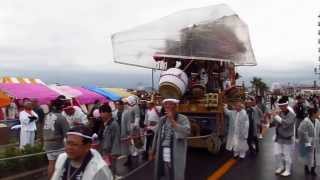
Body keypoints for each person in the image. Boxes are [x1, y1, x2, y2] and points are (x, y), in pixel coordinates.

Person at [149, 98, 190, 180]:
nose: (167, 106)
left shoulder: (183, 118)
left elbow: (186, 132)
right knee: (164, 171)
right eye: (165, 104)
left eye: (170, 104)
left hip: (176, 151)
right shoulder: (162, 119)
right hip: (162, 149)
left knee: (175, 172)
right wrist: (152, 151)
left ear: (175, 105)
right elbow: (156, 136)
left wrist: (172, 120)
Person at [269, 96, 296, 177]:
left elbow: (286, 124)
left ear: (286, 105)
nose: (281, 108)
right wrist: (268, 120)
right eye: (280, 106)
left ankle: (287, 170)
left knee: (287, 155)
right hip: (278, 138)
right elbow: (274, 123)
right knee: (277, 154)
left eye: (282, 106)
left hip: (287, 138)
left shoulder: (292, 115)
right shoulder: (279, 113)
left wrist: (276, 116)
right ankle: (281, 167)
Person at [43, 98, 70, 179]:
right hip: (58, 146)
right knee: (61, 165)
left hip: (47, 144)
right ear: (61, 108)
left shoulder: (46, 116)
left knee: (51, 164)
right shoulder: (61, 118)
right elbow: (67, 134)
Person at [297, 107, 320, 176]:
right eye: (318, 112)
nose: (319, 113)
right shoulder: (305, 121)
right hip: (307, 141)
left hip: (315, 141)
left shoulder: (317, 121)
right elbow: (301, 131)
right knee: (307, 155)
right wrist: (307, 141)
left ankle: (313, 169)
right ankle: (306, 167)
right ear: (313, 113)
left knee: (315, 156)